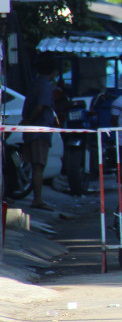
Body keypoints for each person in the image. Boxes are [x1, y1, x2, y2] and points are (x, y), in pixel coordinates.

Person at [21, 55, 59, 210]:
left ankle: (38, 198)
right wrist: (30, 121)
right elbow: (40, 107)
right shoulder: (44, 85)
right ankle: (38, 199)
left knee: (36, 166)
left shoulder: (36, 83)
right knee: (38, 166)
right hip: (38, 130)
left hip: (35, 129)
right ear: (53, 71)